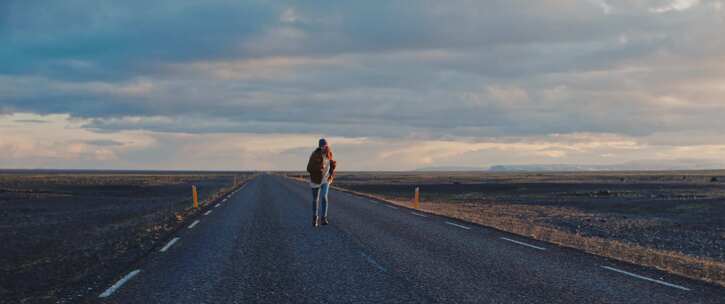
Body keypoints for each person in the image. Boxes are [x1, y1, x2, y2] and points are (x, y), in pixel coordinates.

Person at [307, 138, 337, 227]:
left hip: (326, 180)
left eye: (326, 145)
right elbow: (309, 168)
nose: (325, 147)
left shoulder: (329, 154)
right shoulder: (314, 155)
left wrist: (333, 167)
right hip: (316, 180)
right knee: (315, 200)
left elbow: (331, 164)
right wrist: (319, 169)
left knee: (324, 197)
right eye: (323, 146)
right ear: (320, 146)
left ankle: (324, 218)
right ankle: (315, 219)